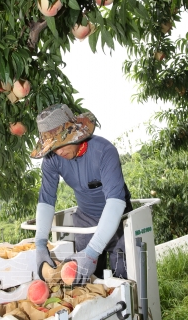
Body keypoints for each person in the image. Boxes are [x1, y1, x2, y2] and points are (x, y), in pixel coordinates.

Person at [31, 103, 133, 284]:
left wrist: (93, 252)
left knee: (124, 280)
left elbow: (116, 202)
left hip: (119, 220)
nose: (58, 151)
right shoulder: (53, 159)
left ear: (74, 133)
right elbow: (47, 199)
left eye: (61, 143)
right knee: (88, 281)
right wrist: (40, 244)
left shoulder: (104, 151)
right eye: (52, 147)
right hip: (86, 219)